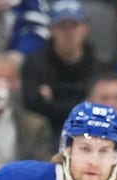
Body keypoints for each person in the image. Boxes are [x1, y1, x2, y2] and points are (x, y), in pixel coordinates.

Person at [21, 0, 105, 135]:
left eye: (74, 25)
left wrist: (50, 102)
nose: (68, 33)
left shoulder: (98, 65)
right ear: (50, 29)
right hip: (47, 131)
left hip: (89, 130)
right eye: (62, 26)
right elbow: (31, 105)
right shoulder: (34, 64)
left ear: (85, 28)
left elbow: (100, 105)